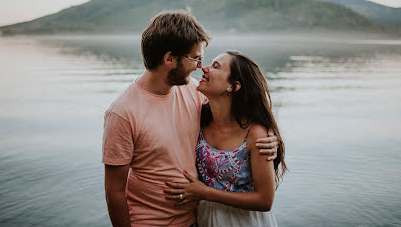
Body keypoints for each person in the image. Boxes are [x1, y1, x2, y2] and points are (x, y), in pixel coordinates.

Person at [102, 11, 278, 227]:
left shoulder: (194, 91)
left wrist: (270, 138)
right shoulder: (122, 113)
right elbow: (115, 192)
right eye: (195, 58)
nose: (199, 66)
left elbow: (235, 113)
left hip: (195, 219)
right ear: (169, 59)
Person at [164, 51, 287, 227]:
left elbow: (265, 201)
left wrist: (205, 192)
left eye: (215, 67)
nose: (204, 68)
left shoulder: (256, 134)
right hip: (204, 219)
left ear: (233, 86)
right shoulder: (198, 119)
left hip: (245, 222)